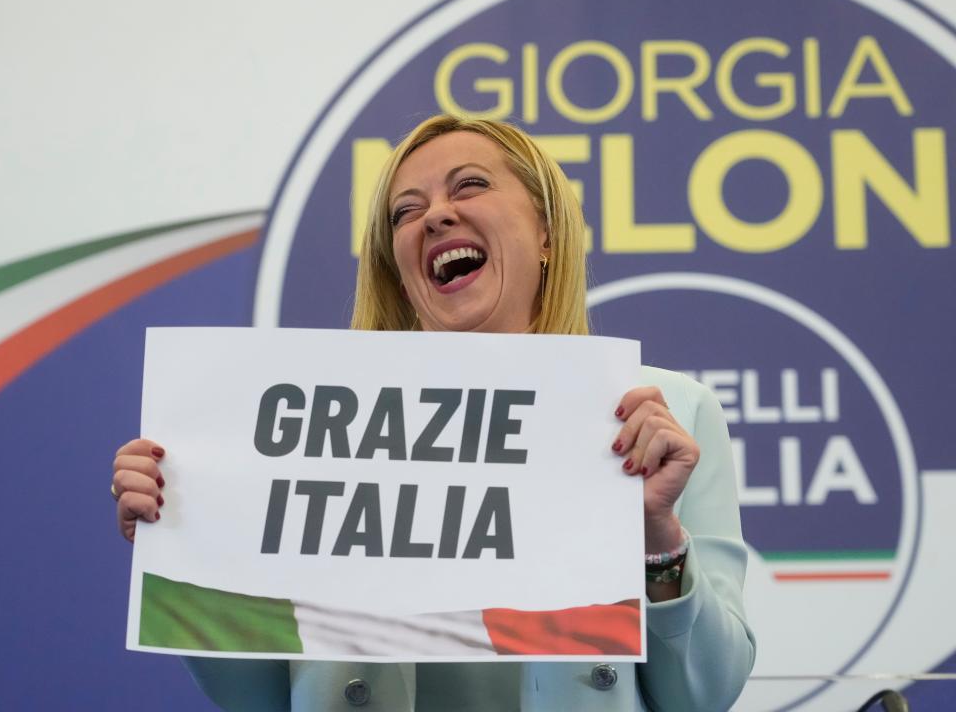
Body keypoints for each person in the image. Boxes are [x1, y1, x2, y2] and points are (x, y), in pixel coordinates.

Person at [112, 114, 756, 711]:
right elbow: (256, 698)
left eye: (469, 186)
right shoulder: (323, 432)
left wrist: (658, 540)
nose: (435, 217)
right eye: (405, 211)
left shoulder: (666, 416)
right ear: (399, 270)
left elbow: (704, 695)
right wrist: (185, 543)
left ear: (547, 234)